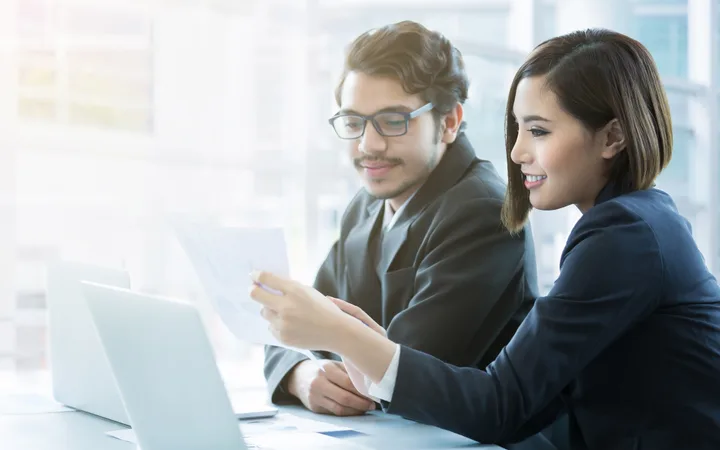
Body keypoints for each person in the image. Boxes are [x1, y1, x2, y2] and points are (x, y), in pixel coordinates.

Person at [250, 28, 720, 449]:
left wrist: (338, 335)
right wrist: (321, 353)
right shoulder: (631, 225)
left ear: (612, 137)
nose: (516, 152)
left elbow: (499, 405)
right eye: (517, 128)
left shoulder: (624, 236)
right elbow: (522, 405)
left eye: (538, 130)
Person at [263, 20, 538, 418]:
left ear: (448, 122)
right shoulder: (367, 203)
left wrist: (323, 336)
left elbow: (400, 368)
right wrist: (302, 374)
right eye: (354, 122)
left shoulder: (483, 211)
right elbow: (298, 320)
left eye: (393, 122)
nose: (368, 145)